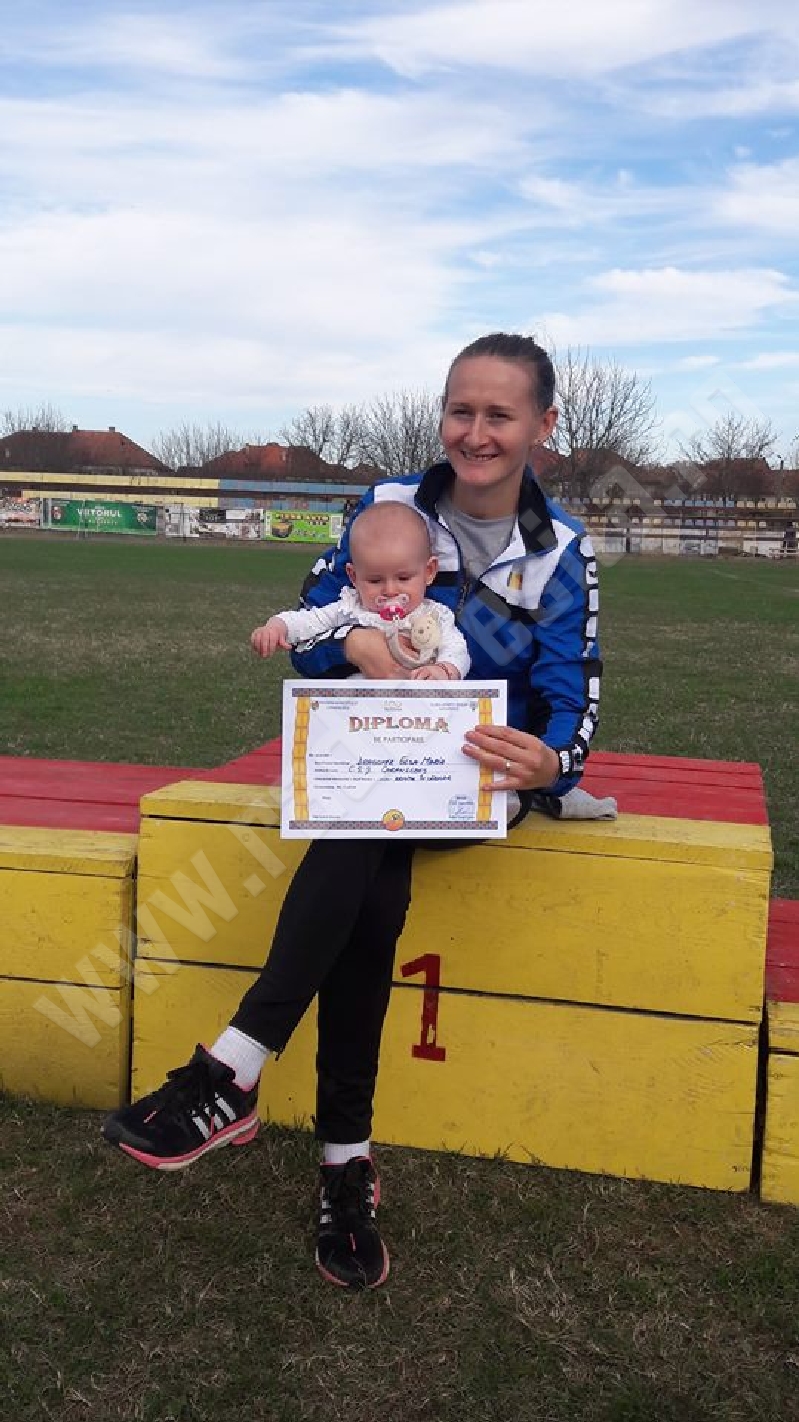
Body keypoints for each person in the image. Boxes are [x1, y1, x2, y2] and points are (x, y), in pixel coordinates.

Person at [103, 332, 602, 1292]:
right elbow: (312, 630)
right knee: (370, 881)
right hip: (365, 764)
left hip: (470, 781)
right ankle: (344, 1161)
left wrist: (549, 761)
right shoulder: (387, 505)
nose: (476, 432)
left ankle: (235, 1071)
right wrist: (355, 651)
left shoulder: (563, 550)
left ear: (543, 425)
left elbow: (573, 696)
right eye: (460, 409)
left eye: (499, 414)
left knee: (360, 845)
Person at [251, 500, 470, 680]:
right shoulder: (350, 608)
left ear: (429, 571)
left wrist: (444, 670)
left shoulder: (435, 615)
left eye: (403, 578)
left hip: (418, 712)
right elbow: (309, 621)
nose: (390, 590)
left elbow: (457, 648)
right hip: (358, 711)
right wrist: (277, 626)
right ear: (353, 576)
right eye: (375, 580)